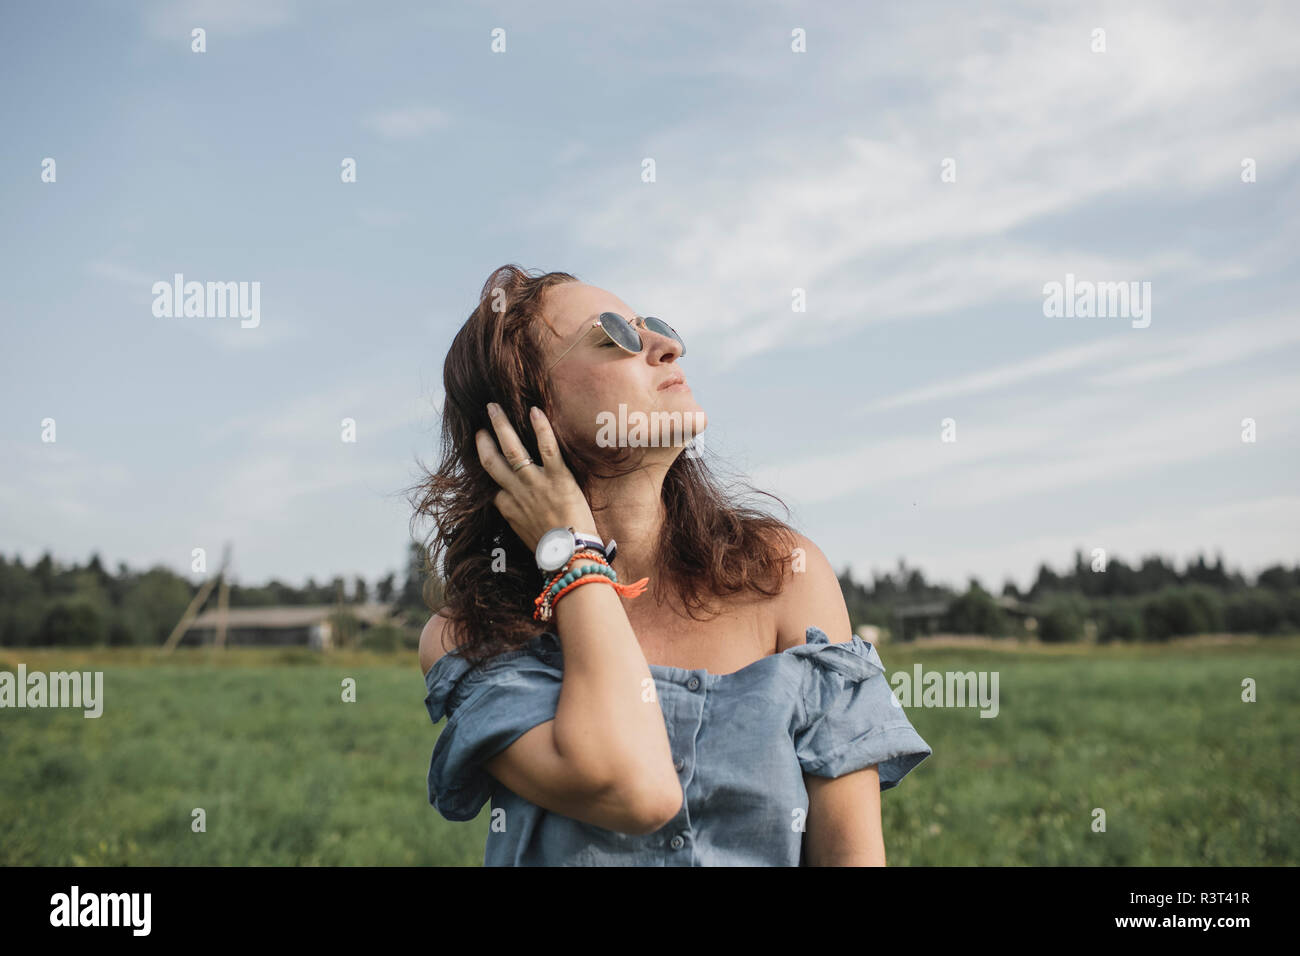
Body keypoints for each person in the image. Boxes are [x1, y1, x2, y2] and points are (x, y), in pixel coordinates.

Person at [409, 263, 931, 865]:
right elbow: (635, 790)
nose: (667, 346)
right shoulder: (472, 635)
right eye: (615, 336)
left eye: (654, 326)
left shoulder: (783, 575)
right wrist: (574, 551)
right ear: (529, 412)